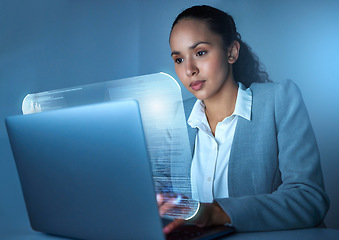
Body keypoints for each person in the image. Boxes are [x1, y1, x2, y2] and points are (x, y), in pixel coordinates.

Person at [157, 5, 329, 233]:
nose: (189, 70)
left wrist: (217, 212)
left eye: (200, 53)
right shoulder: (175, 119)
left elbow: (309, 198)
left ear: (231, 52)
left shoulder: (278, 100)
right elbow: (160, 195)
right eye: (179, 59)